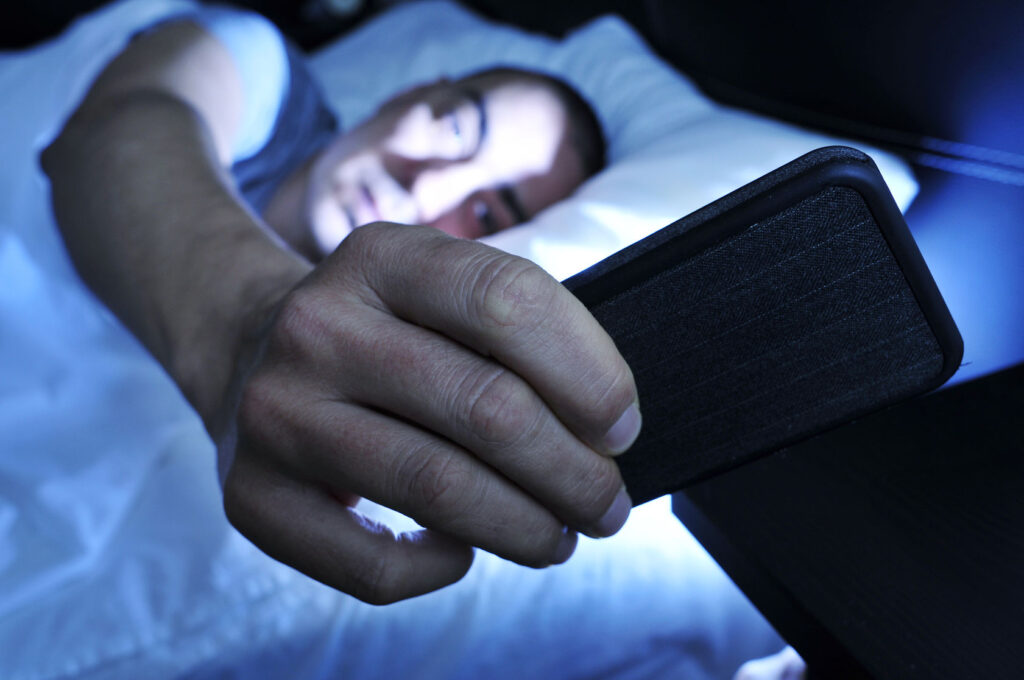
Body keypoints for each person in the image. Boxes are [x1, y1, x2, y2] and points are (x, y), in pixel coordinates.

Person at [41, 8, 640, 605]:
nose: (426, 186)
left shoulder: (355, 381)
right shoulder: (260, 74)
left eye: (486, 214)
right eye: (457, 130)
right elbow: (125, 127)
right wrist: (247, 327)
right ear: (413, 94)